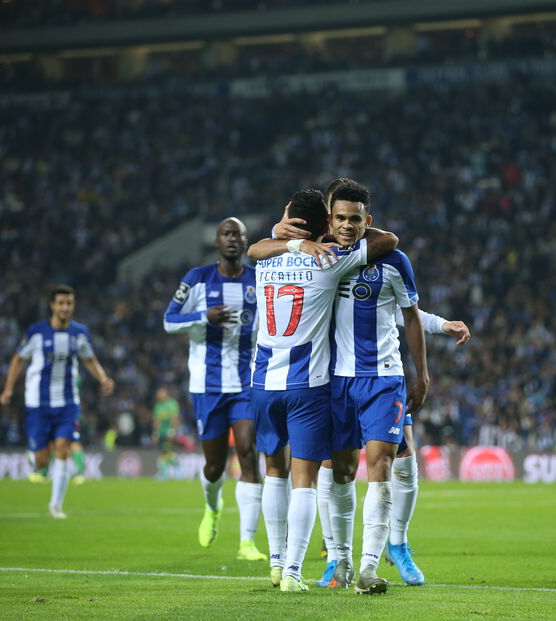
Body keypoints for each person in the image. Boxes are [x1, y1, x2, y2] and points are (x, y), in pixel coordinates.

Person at [275, 179, 471, 589]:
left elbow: (409, 314)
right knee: (338, 471)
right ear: (329, 220)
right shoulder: (318, 256)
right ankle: (339, 560)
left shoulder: (392, 259)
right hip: (332, 381)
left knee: (387, 463)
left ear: (368, 220)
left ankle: (374, 562)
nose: (347, 225)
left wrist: (424, 372)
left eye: (355, 218)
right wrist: (282, 234)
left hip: (383, 378)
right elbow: (264, 251)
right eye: (340, 218)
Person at [247, 188, 397, 593]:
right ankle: (293, 573)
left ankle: (276, 563)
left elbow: (255, 248)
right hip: (307, 386)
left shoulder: (266, 258)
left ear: (287, 218)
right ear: (327, 223)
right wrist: (329, 238)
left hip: (262, 382)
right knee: (305, 481)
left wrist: (286, 237)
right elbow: (388, 241)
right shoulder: (329, 261)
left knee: (273, 473)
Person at [163, 217, 266, 561]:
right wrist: (203, 317)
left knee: (249, 454)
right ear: (218, 242)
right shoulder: (196, 279)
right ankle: (213, 507)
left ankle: (247, 542)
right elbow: (168, 320)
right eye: (226, 233)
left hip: (247, 385)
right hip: (207, 386)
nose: (232, 239)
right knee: (214, 467)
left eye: (238, 234)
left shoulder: (258, 280)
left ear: (245, 240)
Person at [0, 284, 114, 518]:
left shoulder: (79, 333)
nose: (65, 308)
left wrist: (103, 378)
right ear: (52, 305)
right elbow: (18, 359)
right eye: (60, 303)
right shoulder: (36, 332)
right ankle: (35, 455)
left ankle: (56, 505)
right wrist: (8, 388)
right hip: (38, 403)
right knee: (41, 461)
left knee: (62, 449)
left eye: (69, 303)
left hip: (68, 402)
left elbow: (89, 358)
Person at [152, 386, 181, 480]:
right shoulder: (157, 406)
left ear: (166, 394)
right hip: (161, 433)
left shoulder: (172, 404)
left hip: (169, 432)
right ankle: (176, 467)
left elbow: (175, 418)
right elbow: (156, 420)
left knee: (165, 452)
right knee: (165, 452)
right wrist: (155, 433)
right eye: (158, 393)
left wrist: (172, 431)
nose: (158, 395)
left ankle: (165, 473)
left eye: (161, 393)